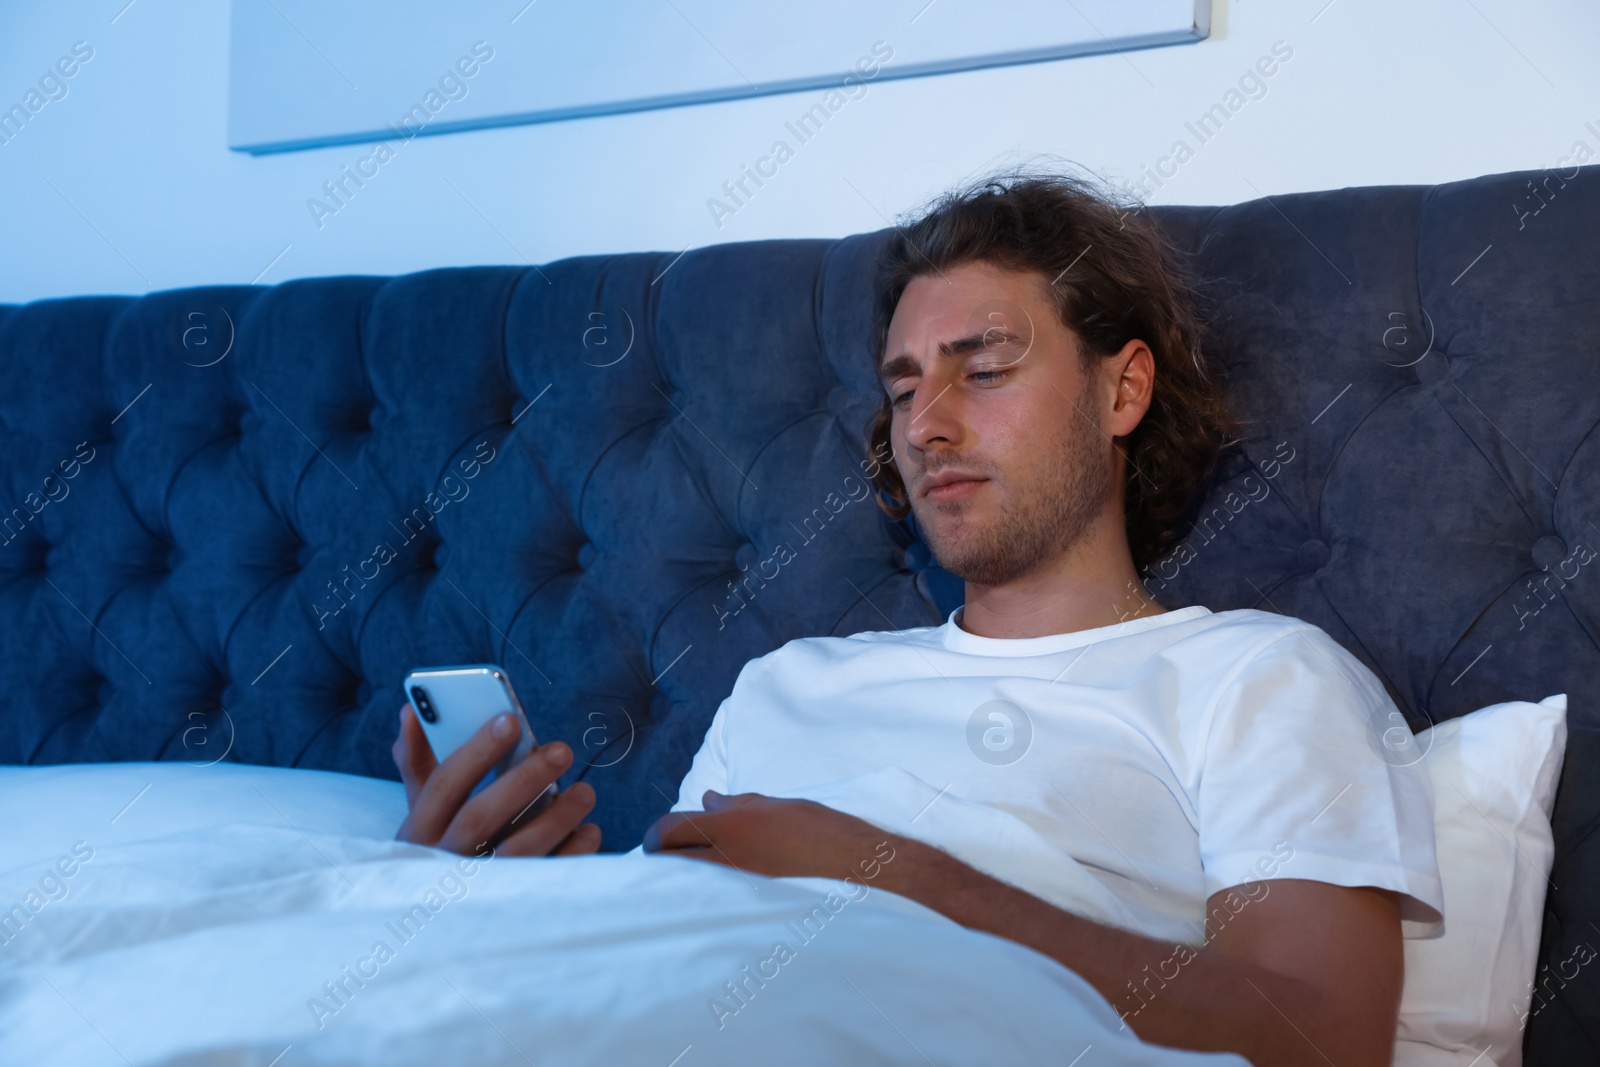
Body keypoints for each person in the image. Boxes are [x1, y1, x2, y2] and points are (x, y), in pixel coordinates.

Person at [390, 170, 1442, 1067]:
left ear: (1121, 391)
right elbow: (685, 944)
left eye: (983, 370)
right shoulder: (788, 682)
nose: (928, 424)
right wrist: (510, 901)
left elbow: (1316, 1034)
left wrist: (885, 871)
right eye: (901, 391)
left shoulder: (1255, 677)